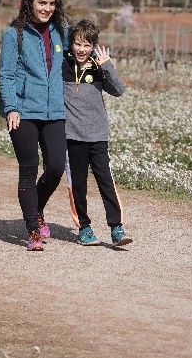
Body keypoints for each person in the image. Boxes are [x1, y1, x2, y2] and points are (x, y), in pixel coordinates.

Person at [0, 0, 68, 251]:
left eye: (51, 3)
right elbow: (6, 75)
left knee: (55, 168)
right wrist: (11, 107)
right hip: (24, 111)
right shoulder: (14, 33)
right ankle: (32, 230)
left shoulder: (62, 30)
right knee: (28, 171)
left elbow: (78, 58)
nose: (47, 8)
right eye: (42, 2)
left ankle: (36, 209)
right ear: (31, 2)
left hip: (55, 111)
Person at [62, 19, 132, 247]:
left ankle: (117, 228)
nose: (81, 50)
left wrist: (108, 66)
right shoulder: (62, 65)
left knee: (106, 181)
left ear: (93, 46)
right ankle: (84, 227)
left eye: (86, 45)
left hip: (98, 135)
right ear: (71, 43)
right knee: (77, 184)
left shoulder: (98, 66)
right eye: (77, 44)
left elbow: (119, 91)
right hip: (72, 135)